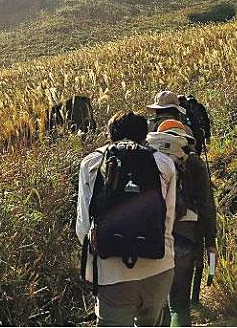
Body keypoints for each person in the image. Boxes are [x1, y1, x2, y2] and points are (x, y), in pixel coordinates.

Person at [75, 111, 177, 326]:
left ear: (111, 135)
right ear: (144, 136)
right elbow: (168, 219)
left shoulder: (92, 163)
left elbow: (83, 228)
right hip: (158, 267)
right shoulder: (164, 164)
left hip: (112, 273)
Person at [147, 119, 218, 327]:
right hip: (185, 237)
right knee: (179, 305)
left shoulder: (148, 160)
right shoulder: (193, 162)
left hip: (152, 238)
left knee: (157, 306)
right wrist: (210, 241)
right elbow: (206, 205)